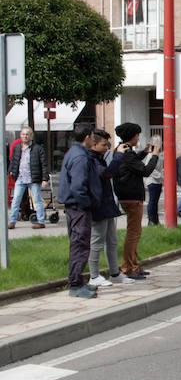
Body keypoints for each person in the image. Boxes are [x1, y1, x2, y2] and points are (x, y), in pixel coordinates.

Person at [58, 126, 102, 298]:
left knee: (78, 244)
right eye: (92, 137)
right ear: (87, 137)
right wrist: (86, 204)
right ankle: (76, 285)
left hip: (75, 206)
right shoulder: (80, 157)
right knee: (80, 245)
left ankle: (78, 281)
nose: (94, 140)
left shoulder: (73, 152)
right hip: (78, 207)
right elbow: (78, 186)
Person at [86, 129, 133, 287]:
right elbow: (107, 173)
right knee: (97, 241)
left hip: (107, 203)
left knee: (112, 241)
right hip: (98, 205)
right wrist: (117, 155)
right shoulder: (91, 159)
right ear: (93, 144)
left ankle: (114, 272)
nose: (107, 148)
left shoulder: (99, 157)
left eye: (108, 145)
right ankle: (94, 275)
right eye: (104, 144)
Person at [113, 123, 159, 279]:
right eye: (137, 135)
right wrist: (155, 155)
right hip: (132, 196)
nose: (139, 138)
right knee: (133, 233)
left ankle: (134, 264)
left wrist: (144, 153)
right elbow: (145, 171)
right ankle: (128, 267)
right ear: (132, 136)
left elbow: (132, 164)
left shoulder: (124, 150)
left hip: (128, 195)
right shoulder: (126, 153)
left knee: (135, 232)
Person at [8, 126, 50, 229]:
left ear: (31, 136)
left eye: (27, 134)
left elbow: (44, 164)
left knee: (37, 200)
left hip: (33, 178)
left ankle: (41, 221)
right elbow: (13, 161)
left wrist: (45, 179)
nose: (25, 136)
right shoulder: (17, 148)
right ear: (20, 136)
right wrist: (11, 172)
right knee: (16, 199)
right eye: (23, 134)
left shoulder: (38, 149)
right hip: (20, 178)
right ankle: (12, 221)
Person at [144, 135, 163, 225]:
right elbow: (150, 168)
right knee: (152, 200)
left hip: (158, 181)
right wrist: (161, 175)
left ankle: (155, 219)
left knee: (155, 201)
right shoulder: (150, 155)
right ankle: (151, 220)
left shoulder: (159, 154)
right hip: (152, 180)